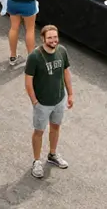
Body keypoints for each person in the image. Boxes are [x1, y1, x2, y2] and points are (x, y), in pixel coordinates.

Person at [24, 25, 72, 179]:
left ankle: (52, 154)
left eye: (55, 37)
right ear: (43, 39)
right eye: (50, 37)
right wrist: (34, 101)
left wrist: (70, 94)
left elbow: (66, 72)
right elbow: (28, 81)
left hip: (59, 100)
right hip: (42, 103)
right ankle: (37, 161)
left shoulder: (62, 51)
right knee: (39, 132)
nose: (53, 40)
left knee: (55, 127)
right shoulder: (35, 57)